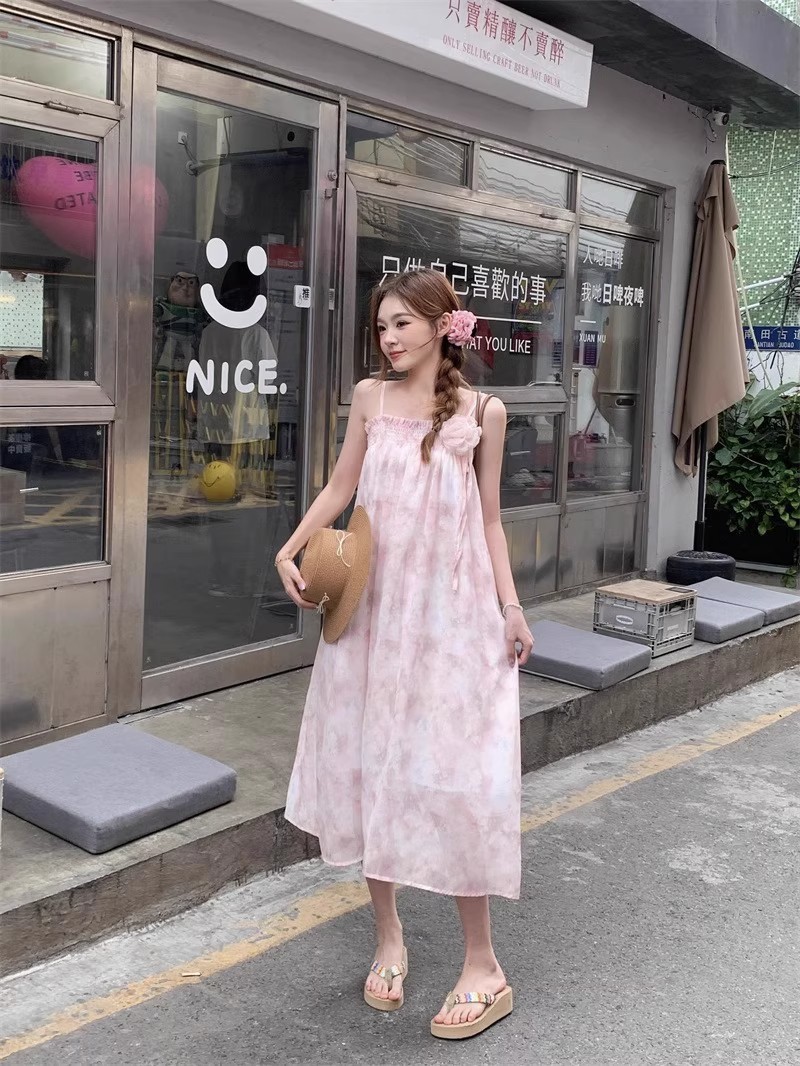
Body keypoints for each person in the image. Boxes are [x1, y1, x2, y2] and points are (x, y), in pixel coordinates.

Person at [275, 268, 534, 1041]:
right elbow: (339, 488)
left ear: (443, 325)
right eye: (381, 326)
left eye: (403, 324)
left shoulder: (483, 412)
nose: (388, 338)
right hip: (371, 614)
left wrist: (511, 607)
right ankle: (388, 937)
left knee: (456, 777)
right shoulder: (370, 398)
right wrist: (289, 548)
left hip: (450, 620)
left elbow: (489, 521)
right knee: (369, 765)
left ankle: (484, 965)